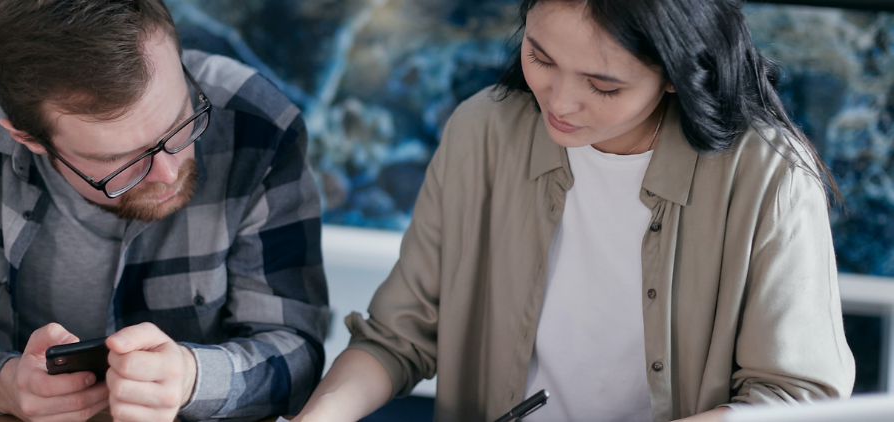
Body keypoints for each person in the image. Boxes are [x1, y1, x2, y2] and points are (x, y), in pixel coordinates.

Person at [293, 0, 855, 421]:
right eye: (540, 57)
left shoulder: (767, 175)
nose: (558, 103)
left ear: (678, 77)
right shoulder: (483, 130)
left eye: (603, 87)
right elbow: (397, 338)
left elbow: (794, 398)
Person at [0, 1, 329, 421]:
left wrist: (191, 379)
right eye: (119, 161)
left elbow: (297, 353)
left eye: (181, 123)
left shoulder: (258, 121)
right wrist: (0, 380)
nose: (168, 172)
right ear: (26, 138)